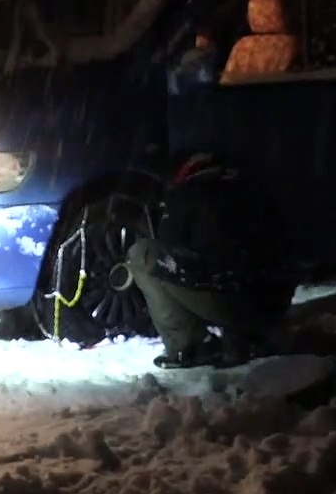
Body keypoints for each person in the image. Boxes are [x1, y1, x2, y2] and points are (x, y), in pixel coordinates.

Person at [125, 153, 294, 369]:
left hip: (232, 302)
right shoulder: (254, 189)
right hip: (273, 303)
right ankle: (254, 335)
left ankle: (191, 346)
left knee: (143, 254)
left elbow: (169, 248)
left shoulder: (186, 194)